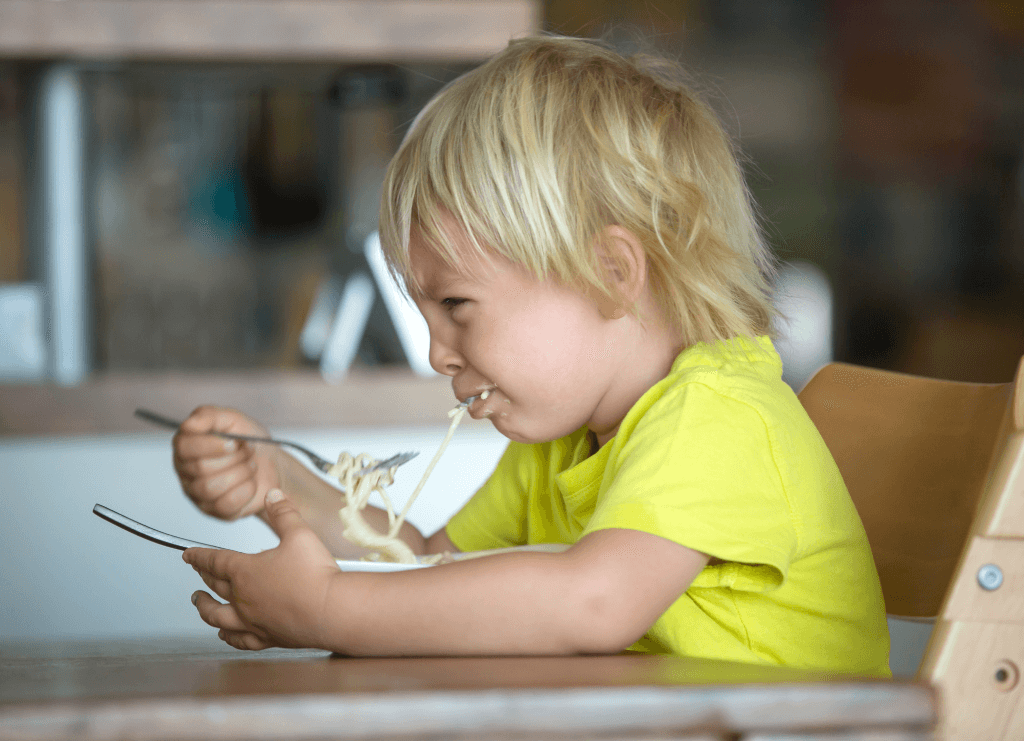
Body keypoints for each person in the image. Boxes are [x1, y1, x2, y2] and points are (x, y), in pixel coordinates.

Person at [176, 35, 890, 674]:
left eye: (456, 306)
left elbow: (593, 603)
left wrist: (329, 609)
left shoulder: (719, 417)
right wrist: (279, 482)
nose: (435, 355)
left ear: (612, 274)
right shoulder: (565, 441)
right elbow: (428, 563)